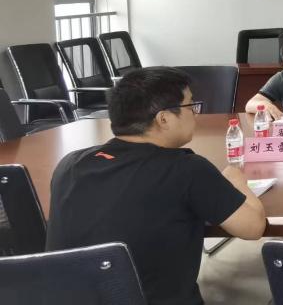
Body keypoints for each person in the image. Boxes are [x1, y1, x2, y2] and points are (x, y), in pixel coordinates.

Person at [45, 67, 267, 305]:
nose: (195, 114)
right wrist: (237, 180)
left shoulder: (70, 165)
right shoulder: (187, 169)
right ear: (164, 118)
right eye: (190, 106)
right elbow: (253, 228)